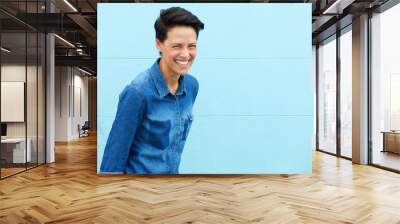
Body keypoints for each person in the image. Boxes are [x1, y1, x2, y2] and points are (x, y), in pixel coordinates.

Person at [100, 7, 204, 174]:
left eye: (191, 46)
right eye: (177, 46)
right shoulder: (137, 93)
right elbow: (112, 162)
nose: (185, 54)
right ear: (159, 44)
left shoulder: (192, 86)